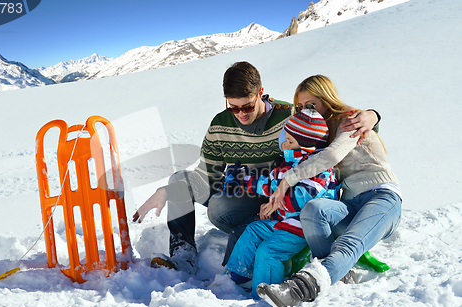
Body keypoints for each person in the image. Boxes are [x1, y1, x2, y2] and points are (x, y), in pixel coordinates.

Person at [132, 62, 380, 274]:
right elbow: (206, 176)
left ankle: (268, 238)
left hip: (281, 197)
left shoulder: (289, 116)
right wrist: (168, 191)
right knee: (178, 180)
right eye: (234, 107)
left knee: (219, 208)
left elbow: (328, 126)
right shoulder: (221, 125)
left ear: (261, 93)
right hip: (245, 187)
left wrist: (372, 116)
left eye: (248, 106)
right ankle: (183, 256)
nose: (240, 113)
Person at [256, 75, 402, 307]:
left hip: (382, 197)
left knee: (348, 244)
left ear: (327, 98)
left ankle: (296, 291)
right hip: (350, 202)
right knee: (314, 209)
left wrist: (287, 181)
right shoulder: (319, 131)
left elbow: (331, 157)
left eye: (311, 104)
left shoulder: (349, 120)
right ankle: (339, 274)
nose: (306, 111)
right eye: (301, 107)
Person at [225, 107, 339, 299]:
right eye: (286, 138)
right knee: (253, 230)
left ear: (306, 145)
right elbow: (270, 186)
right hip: (283, 223)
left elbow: (302, 199)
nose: (284, 144)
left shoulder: (319, 169)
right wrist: (244, 180)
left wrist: (275, 204)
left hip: (303, 227)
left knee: (268, 252)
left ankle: (265, 294)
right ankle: (238, 275)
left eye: (290, 141)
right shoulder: (286, 165)